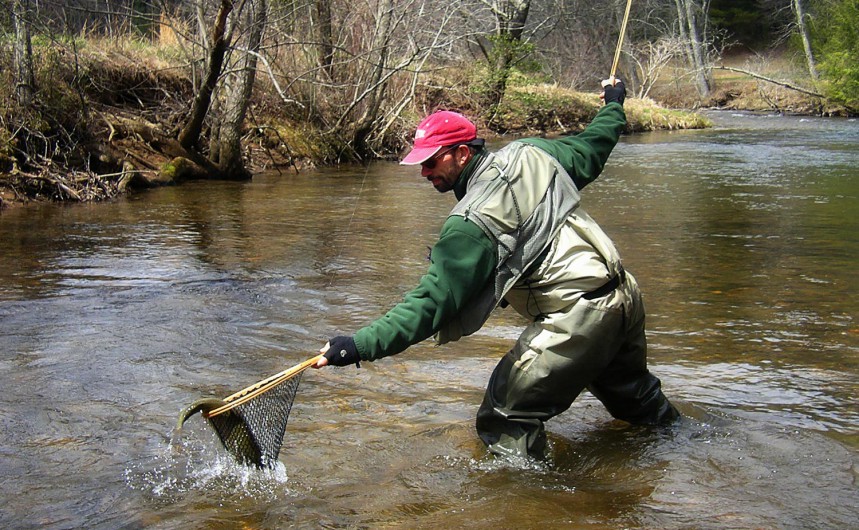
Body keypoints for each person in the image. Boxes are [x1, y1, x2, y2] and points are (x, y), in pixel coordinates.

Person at [314, 78, 679, 460]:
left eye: (431, 161)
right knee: (638, 404)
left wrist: (358, 346)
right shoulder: (532, 153)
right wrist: (614, 105)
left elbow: (431, 304)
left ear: (462, 154)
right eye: (420, 163)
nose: (423, 172)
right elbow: (595, 145)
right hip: (624, 297)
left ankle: (535, 508)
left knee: (504, 416)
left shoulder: (470, 222)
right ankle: (683, 453)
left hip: (581, 316)